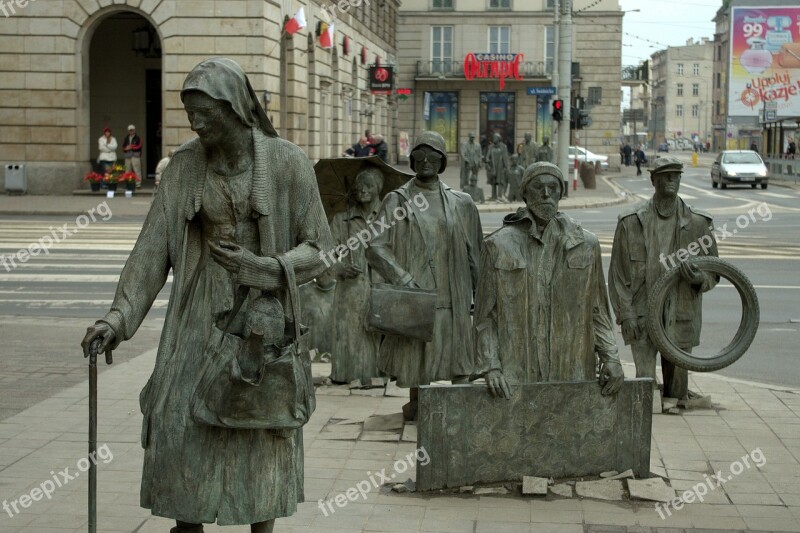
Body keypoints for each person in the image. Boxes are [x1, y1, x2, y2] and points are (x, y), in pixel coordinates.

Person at [80, 58, 333, 532]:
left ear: (235, 108)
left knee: (260, 424)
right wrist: (118, 320)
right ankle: (187, 525)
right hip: (196, 316)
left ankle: (261, 524)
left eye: (205, 113)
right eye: (189, 112)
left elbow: (320, 250)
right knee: (178, 423)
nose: (196, 123)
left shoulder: (286, 162)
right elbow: (152, 250)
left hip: (260, 318)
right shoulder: (185, 166)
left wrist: (264, 268)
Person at [476, 162, 624, 399]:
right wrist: (491, 365)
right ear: (524, 193)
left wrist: (611, 357)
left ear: (560, 192)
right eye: (538, 187)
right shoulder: (498, 245)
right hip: (517, 372)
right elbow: (485, 317)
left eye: (553, 187)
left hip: (571, 369)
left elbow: (598, 310)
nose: (546, 194)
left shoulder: (585, 244)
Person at [366, 131, 483, 420]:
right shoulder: (397, 201)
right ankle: (417, 403)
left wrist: (482, 294)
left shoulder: (462, 202)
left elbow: (477, 255)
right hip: (417, 291)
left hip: (453, 291)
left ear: (443, 162)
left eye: (433, 156)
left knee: (458, 353)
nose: (426, 161)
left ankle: (459, 408)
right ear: (412, 159)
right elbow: (375, 246)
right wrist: (402, 278)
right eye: (420, 155)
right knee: (417, 356)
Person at [609, 156, 718, 411]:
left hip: (681, 315)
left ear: (680, 179)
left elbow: (714, 272)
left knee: (675, 393)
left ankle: (678, 400)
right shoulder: (630, 223)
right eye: (665, 175)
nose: (670, 180)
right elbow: (617, 276)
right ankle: (653, 407)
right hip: (642, 312)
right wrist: (626, 316)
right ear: (653, 179)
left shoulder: (700, 224)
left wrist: (699, 278)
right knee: (645, 388)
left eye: (675, 175)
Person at [327, 168, 384, 384]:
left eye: (369, 185)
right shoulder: (342, 220)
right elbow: (326, 253)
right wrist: (339, 267)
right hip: (350, 290)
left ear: (378, 189)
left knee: (375, 335)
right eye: (359, 185)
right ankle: (345, 375)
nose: (363, 189)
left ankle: (376, 375)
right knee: (348, 333)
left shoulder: (388, 217)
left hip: (379, 287)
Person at [485, 133, 510, 201]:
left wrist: (506, 167)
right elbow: (487, 156)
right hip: (493, 166)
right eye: (493, 138)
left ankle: (500, 196)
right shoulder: (491, 147)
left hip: (500, 166)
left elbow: (505, 158)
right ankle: (493, 196)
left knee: (500, 181)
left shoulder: (503, 147)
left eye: (495, 138)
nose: (494, 139)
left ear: (499, 139)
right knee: (493, 182)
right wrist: (487, 160)